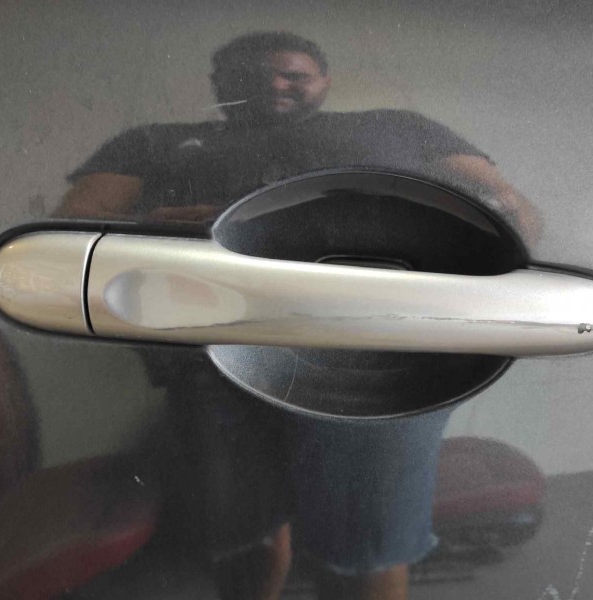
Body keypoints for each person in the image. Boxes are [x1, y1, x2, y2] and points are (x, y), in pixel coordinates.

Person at [56, 31, 540, 600]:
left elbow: (512, 211)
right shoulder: (151, 141)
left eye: (293, 74)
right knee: (245, 536)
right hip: (209, 355)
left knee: (365, 547)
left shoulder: (398, 126)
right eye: (251, 76)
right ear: (218, 85)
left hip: (372, 362)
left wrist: (419, 239)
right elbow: (71, 228)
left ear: (325, 81)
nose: (274, 84)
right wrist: (164, 230)